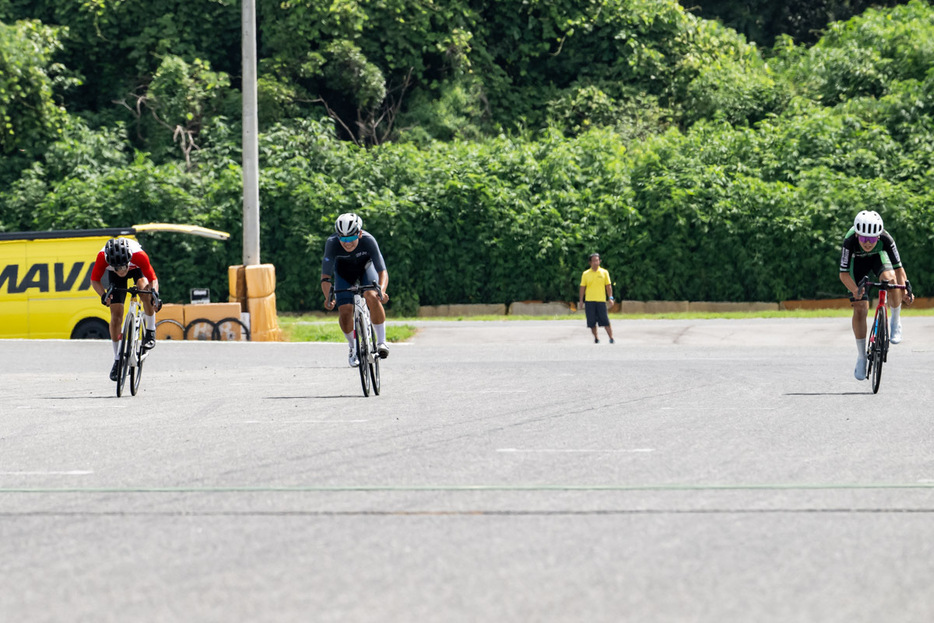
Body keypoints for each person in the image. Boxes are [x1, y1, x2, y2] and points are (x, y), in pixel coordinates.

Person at [839, 210, 913, 381]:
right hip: (855, 268)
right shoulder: (849, 241)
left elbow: (899, 269)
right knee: (860, 308)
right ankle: (861, 357)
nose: (867, 243)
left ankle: (895, 320)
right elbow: (843, 274)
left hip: (877, 259)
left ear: (878, 237)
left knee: (891, 280)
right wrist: (856, 290)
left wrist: (904, 290)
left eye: (872, 239)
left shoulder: (886, 239)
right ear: (857, 234)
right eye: (864, 238)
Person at [320, 213, 390, 366]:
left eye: (351, 238)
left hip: (366, 269)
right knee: (345, 310)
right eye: (343, 239)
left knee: (371, 295)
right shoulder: (332, 243)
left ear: (359, 233)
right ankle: (353, 347)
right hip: (343, 274)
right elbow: (325, 277)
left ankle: (382, 342)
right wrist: (328, 297)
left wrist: (382, 291)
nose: (347, 243)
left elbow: (382, 271)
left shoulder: (368, 240)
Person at [90, 237, 162, 381]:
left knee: (144, 292)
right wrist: (103, 295)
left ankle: (150, 331)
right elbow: (94, 280)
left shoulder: (138, 255)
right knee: (116, 315)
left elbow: (153, 279)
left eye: (123, 267)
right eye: (118, 268)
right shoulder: (102, 257)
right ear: (110, 263)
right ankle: (117, 359)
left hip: (136, 270)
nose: (122, 271)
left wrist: (154, 294)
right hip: (114, 278)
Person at [578, 252, 615, 344]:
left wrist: (610, 297)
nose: (596, 262)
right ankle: (596, 338)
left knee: (605, 321)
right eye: (593, 261)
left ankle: (611, 337)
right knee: (591, 322)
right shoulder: (585, 274)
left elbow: (608, 286)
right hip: (590, 301)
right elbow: (583, 287)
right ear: (590, 263)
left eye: (597, 260)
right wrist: (581, 300)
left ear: (600, 261)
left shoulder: (604, 272)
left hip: (601, 301)